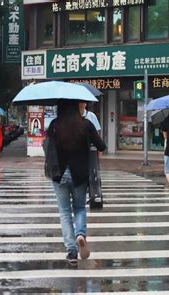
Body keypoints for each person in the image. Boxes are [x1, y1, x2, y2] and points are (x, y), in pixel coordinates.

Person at [46, 100, 106, 264]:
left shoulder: (54, 125)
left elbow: (48, 149)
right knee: (79, 208)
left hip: (59, 173)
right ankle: (80, 234)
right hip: (79, 174)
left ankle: (71, 251)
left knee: (65, 212)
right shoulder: (85, 125)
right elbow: (102, 145)